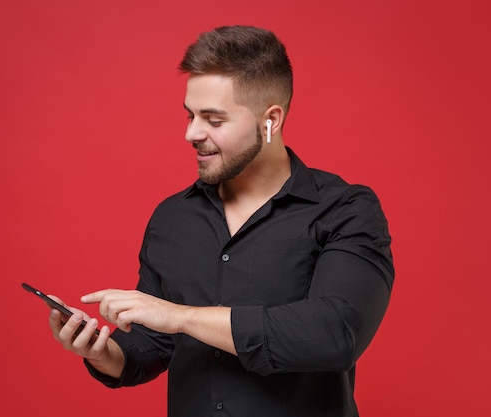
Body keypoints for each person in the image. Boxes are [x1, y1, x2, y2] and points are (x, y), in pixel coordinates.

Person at [47, 25, 394, 417]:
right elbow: (153, 346)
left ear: (271, 121)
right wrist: (102, 352)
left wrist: (181, 317)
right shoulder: (172, 218)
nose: (191, 133)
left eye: (213, 120)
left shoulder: (344, 210)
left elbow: (333, 335)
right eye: (190, 115)